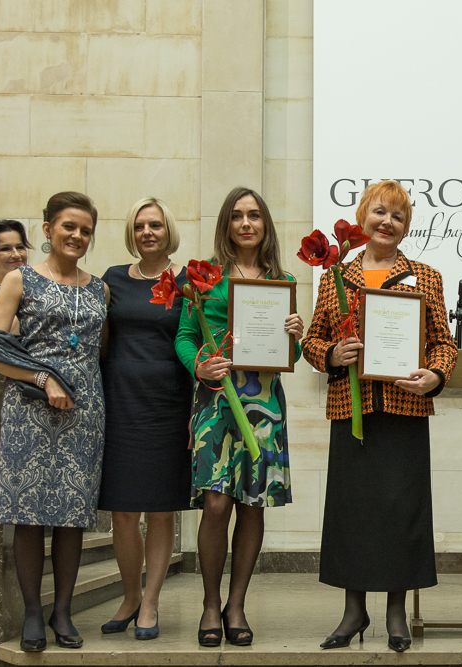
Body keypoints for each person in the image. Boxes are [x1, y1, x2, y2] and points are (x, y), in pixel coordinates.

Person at [301, 180, 457, 653]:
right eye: (380, 213)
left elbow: (443, 343)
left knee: (401, 512)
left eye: (398, 217)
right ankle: (353, 611)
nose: (387, 222)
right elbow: (311, 341)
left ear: (406, 228)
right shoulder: (334, 277)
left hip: (405, 408)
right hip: (353, 410)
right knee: (353, 512)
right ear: (363, 218)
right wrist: (332, 355)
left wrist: (435, 374)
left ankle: (394, 611)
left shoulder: (425, 276)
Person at [0, 192, 107, 652]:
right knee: (29, 516)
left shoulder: (99, 288)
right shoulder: (19, 278)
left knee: (73, 517)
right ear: (48, 228)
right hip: (30, 408)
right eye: (68, 226)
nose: (77, 236)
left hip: (85, 412)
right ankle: (33, 612)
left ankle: (63, 612)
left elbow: (100, 351)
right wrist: (42, 377)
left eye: (86, 230)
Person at [174, 187, 304, 647]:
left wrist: (297, 335)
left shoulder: (281, 279)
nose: (246, 223)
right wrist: (198, 365)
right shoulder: (205, 277)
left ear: (265, 224)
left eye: (254, 216)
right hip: (216, 403)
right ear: (226, 225)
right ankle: (210, 603)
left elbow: (295, 354)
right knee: (216, 504)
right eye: (236, 216)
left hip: (265, 405)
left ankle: (237, 605)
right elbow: (186, 335)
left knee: (252, 504)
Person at [97, 197, 192, 640]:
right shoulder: (113, 279)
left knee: (159, 510)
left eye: (155, 225)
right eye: (139, 226)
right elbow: (101, 340)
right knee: (121, 511)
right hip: (119, 405)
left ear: (167, 229)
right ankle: (130, 595)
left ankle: (150, 601)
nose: (147, 232)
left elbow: (197, 340)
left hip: (168, 406)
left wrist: (197, 410)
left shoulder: (190, 280)